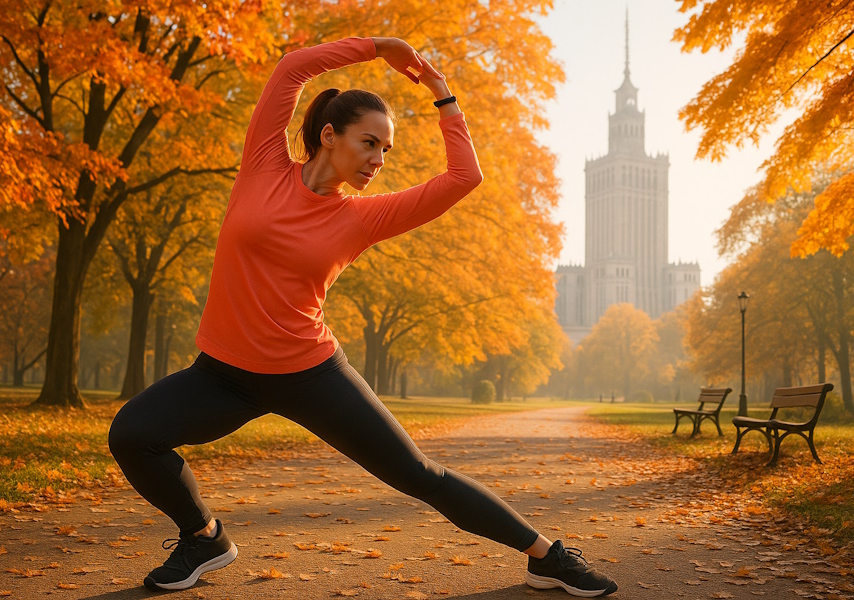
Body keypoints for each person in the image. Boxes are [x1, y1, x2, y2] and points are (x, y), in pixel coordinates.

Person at [108, 36, 617, 597]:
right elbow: (293, 67)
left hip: (309, 374)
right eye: (369, 143)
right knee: (133, 434)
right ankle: (204, 538)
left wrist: (443, 95)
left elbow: (463, 178)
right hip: (223, 374)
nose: (378, 160)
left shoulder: (363, 218)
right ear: (329, 135)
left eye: (387, 150)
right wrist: (381, 47)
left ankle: (548, 557)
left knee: (421, 477)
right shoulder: (263, 166)